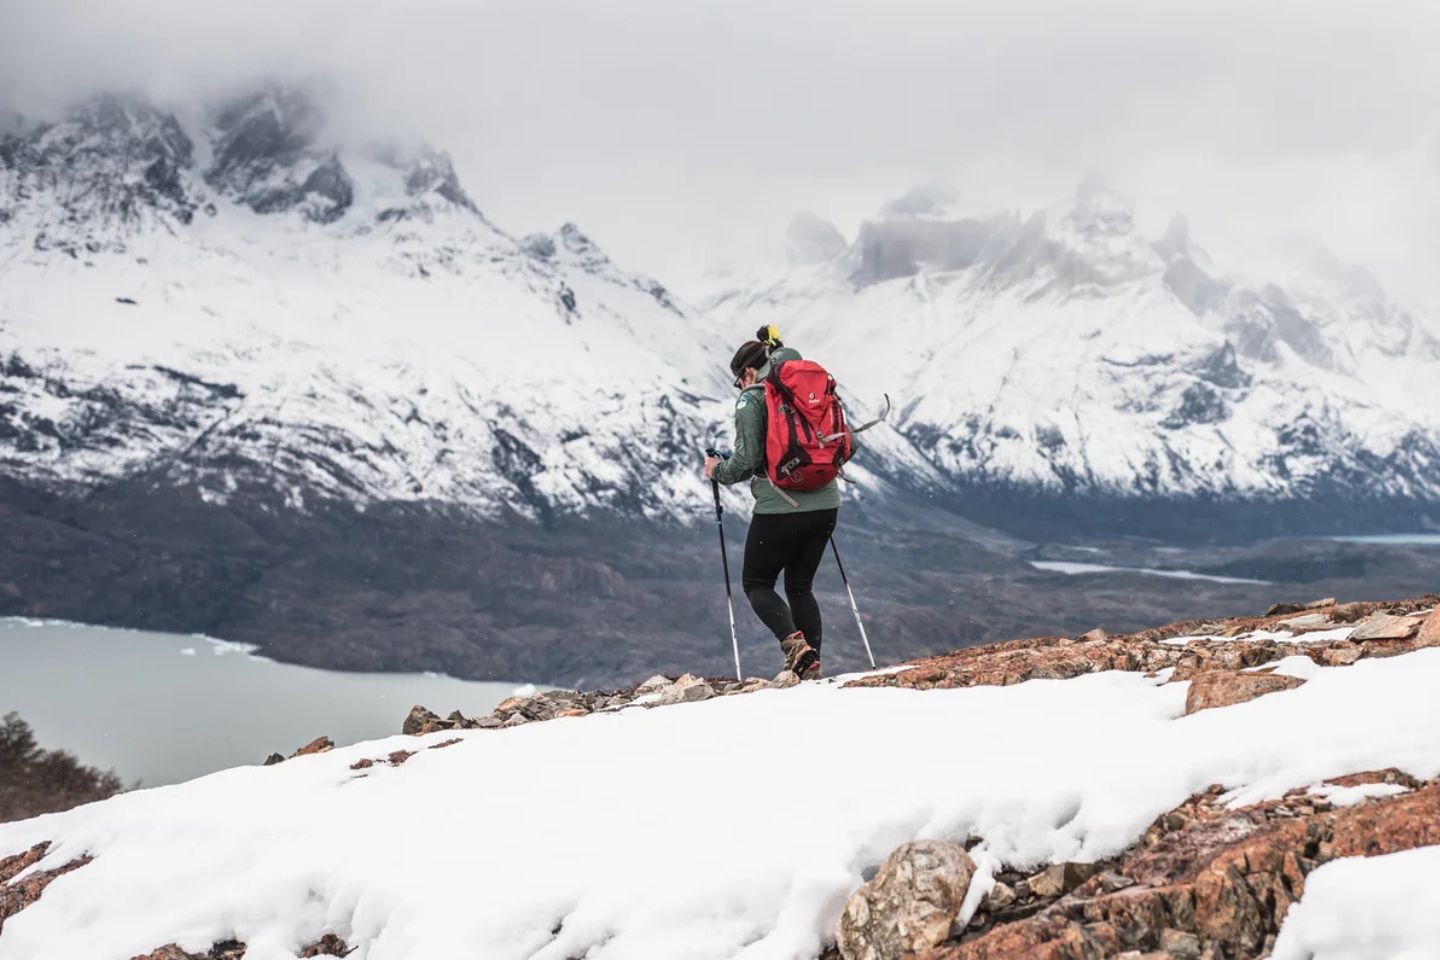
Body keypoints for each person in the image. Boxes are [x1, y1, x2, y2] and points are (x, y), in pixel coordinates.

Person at [704, 328, 841, 680]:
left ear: (747, 372)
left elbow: (746, 462)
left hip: (780, 508)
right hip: (826, 505)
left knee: (757, 583)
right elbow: (846, 446)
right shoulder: (813, 389)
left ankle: (796, 649)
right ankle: (811, 665)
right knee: (800, 586)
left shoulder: (752, 398)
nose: (739, 386)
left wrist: (717, 470)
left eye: (738, 380)